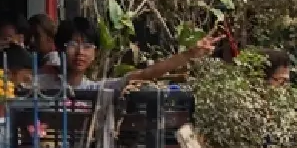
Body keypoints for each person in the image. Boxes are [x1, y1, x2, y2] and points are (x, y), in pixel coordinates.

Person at [47, 17, 224, 93]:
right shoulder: (40, 86)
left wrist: (189, 54)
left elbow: (146, 74)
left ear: (95, 54)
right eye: (72, 45)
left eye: (87, 46)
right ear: (59, 48)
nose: (80, 52)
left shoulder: (98, 90)